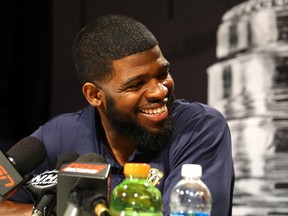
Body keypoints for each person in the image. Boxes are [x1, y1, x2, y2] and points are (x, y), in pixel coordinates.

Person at [5, 14, 234, 215]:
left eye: (163, 73)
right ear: (94, 95)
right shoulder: (59, 134)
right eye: (136, 84)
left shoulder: (200, 128)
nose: (159, 91)